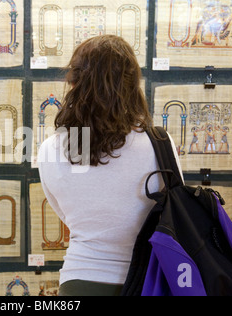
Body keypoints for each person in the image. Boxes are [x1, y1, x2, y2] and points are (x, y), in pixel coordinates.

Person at [37, 35, 183, 296]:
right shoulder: (161, 142)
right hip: (151, 279)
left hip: (80, 279)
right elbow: (175, 207)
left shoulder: (50, 148)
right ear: (131, 83)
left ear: (74, 81)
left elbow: (64, 213)